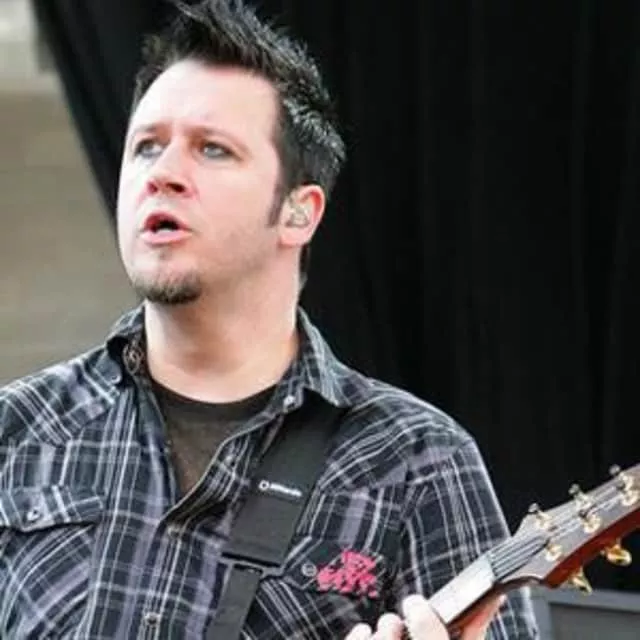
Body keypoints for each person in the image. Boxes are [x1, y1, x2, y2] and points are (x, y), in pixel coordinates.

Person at [0, 0, 539, 638]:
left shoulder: (416, 461)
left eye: (213, 150)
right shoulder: (19, 429)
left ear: (298, 212)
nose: (163, 174)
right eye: (146, 147)